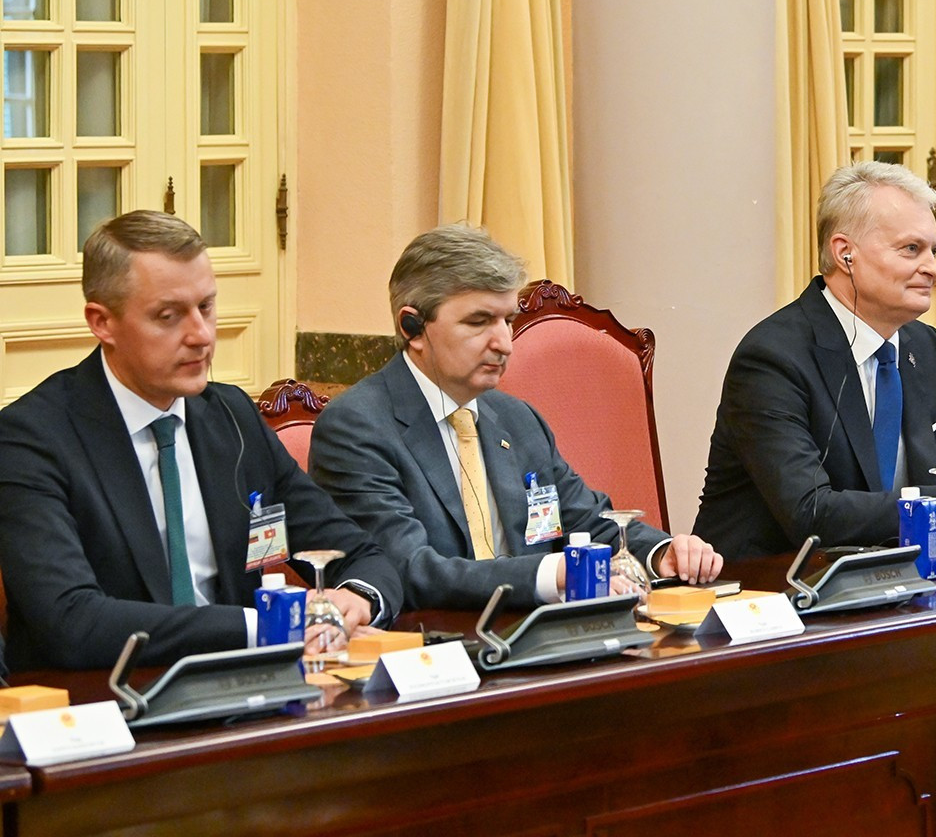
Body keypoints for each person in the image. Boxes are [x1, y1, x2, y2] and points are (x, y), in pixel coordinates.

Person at [0, 212, 402, 672]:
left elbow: (362, 553)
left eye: (206, 308)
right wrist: (269, 629)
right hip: (105, 701)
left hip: (250, 691)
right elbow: (72, 622)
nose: (202, 336)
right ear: (102, 322)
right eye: (168, 316)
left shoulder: (230, 416)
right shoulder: (33, 437)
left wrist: (358, 596)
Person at [309, 225, 722, 610]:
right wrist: (549, 574)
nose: (505, 344)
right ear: (413, 327)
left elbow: (586, 520)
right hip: (436, 648)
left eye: (508, 320)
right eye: (479, 321)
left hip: (535, 637)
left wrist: (660, 552)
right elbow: (407, 568)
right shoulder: (357, 427)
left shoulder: (515, 418)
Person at [694, 163, 936, 561]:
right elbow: (810, 513)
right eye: (912, 249)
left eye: (934, 250)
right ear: (846, 255)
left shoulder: (922, 346)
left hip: (896, 578)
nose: (934, 267)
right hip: (772, 590)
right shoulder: (773, 359)